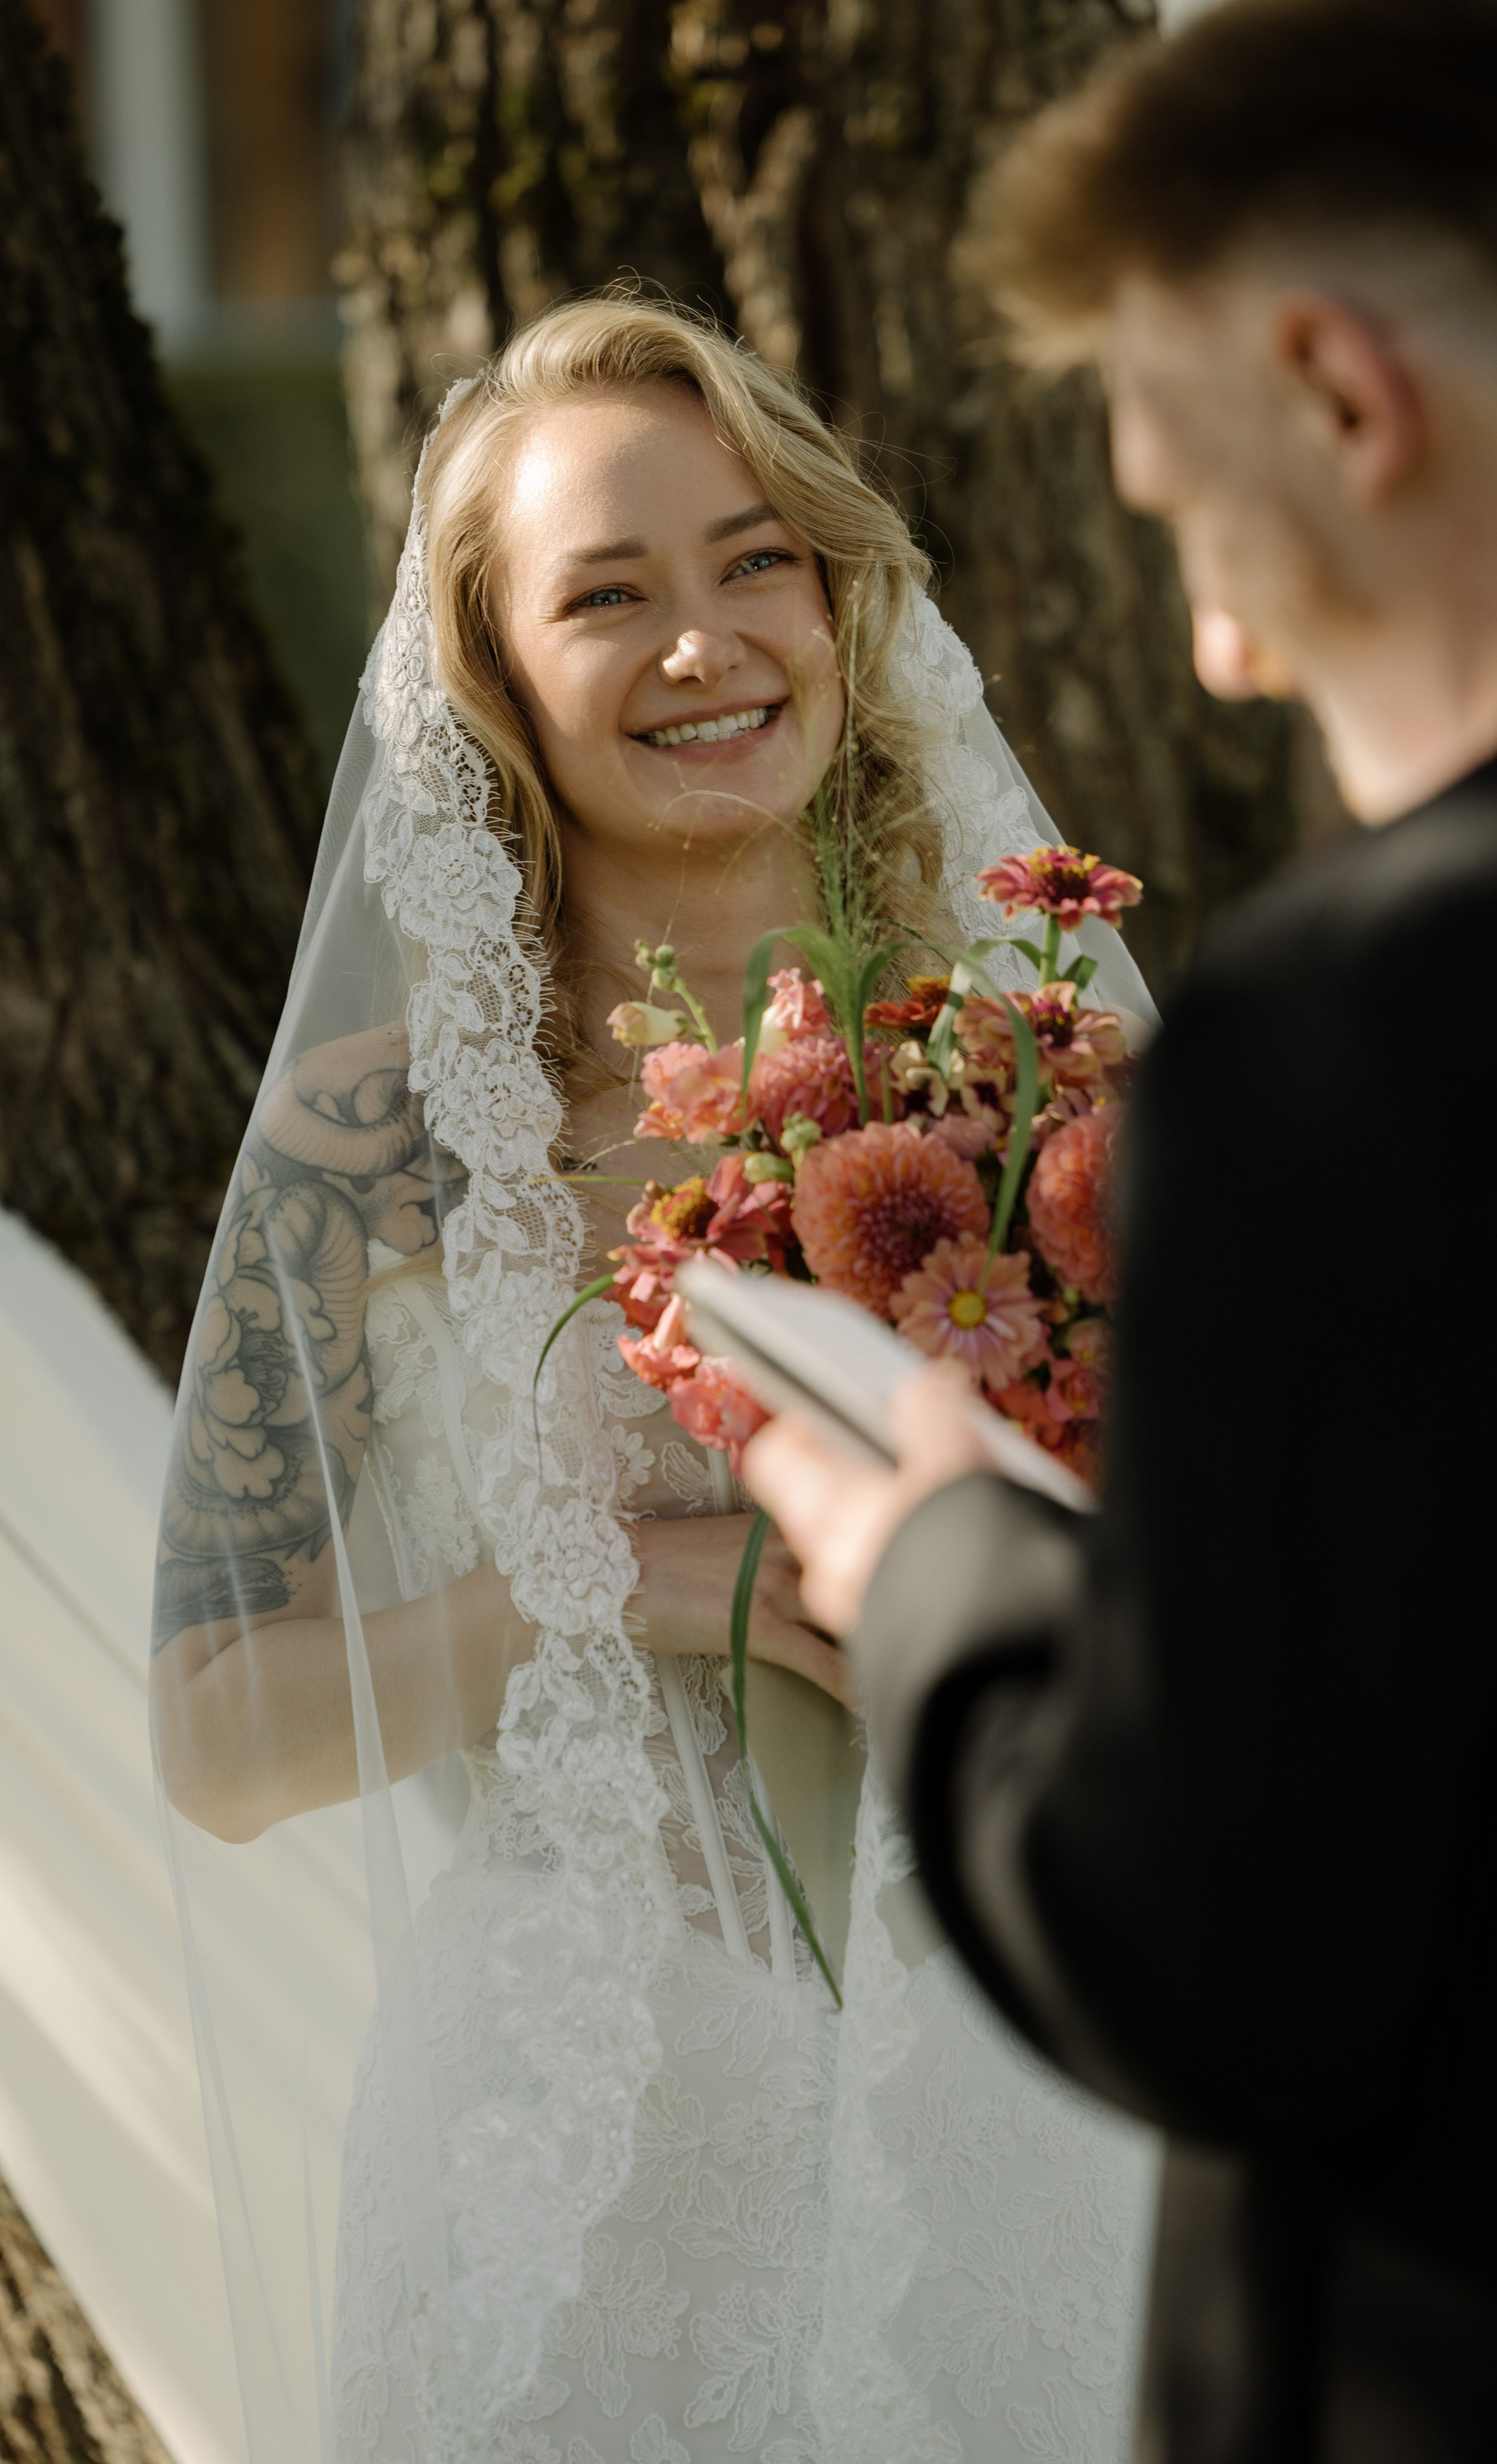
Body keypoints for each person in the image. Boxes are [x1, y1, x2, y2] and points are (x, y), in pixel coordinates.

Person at [744, 3, 1497, 2460]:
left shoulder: (1385, 1030)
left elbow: (1220, 1957)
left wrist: (943, 1565)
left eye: (1174, 505)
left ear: (1344, 401)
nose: (1218, 648)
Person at [149, 293, 1162, 2464]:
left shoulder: (1053, 1084)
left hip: (1017, 2117)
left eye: (753, 558)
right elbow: (217, 1739)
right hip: (571, 2153)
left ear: (835, 594)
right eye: (607, 594)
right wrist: (611, 1584)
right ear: (498, 684)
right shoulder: (383, 1134)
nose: (706, 640)